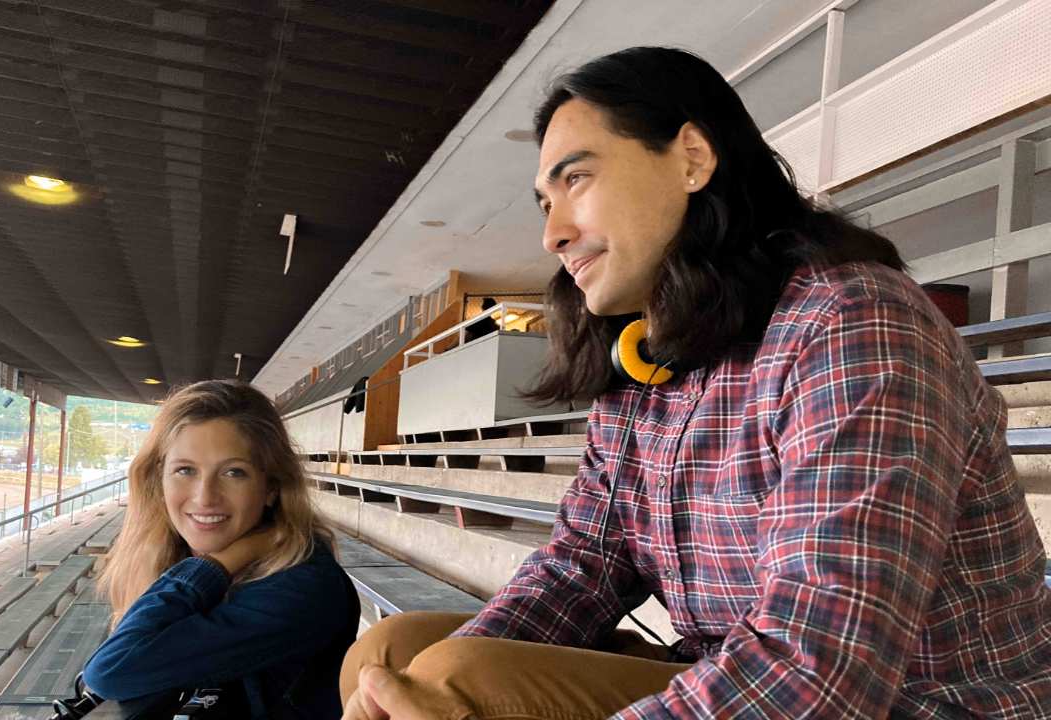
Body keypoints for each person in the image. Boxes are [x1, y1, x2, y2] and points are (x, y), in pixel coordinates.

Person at [340, 47, 1051, 719]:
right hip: (744, 676)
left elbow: (818, 669)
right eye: (543, 202)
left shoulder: (851, 323)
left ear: (691, 158)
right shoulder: (648, 358)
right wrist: (416, 682)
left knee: (458, 682)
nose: (552, 234)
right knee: (397, 655)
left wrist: (452, 684)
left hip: (914, 704)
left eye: (576, 179)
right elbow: (582, 567)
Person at [76, 379, 359, 718]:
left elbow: (112, 671)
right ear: (158, 480)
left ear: (270, 487)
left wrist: (218, 564)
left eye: (233, 472)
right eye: (185, 470)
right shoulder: (175, 555)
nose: (204, 496)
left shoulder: (302, 586)